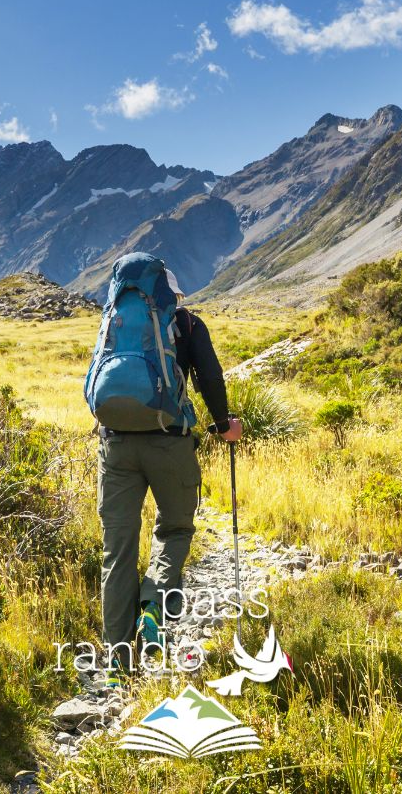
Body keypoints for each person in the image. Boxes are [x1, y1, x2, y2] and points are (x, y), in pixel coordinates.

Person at [96, 267, 242, 678]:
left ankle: (117, 661)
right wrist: (221, 423)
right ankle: (153, 605)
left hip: (116, 445)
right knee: (175, 528)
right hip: (170, 441)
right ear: (172, 294)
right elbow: (210, 377)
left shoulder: (116, 321)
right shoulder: (188, 323)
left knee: (117, 550)